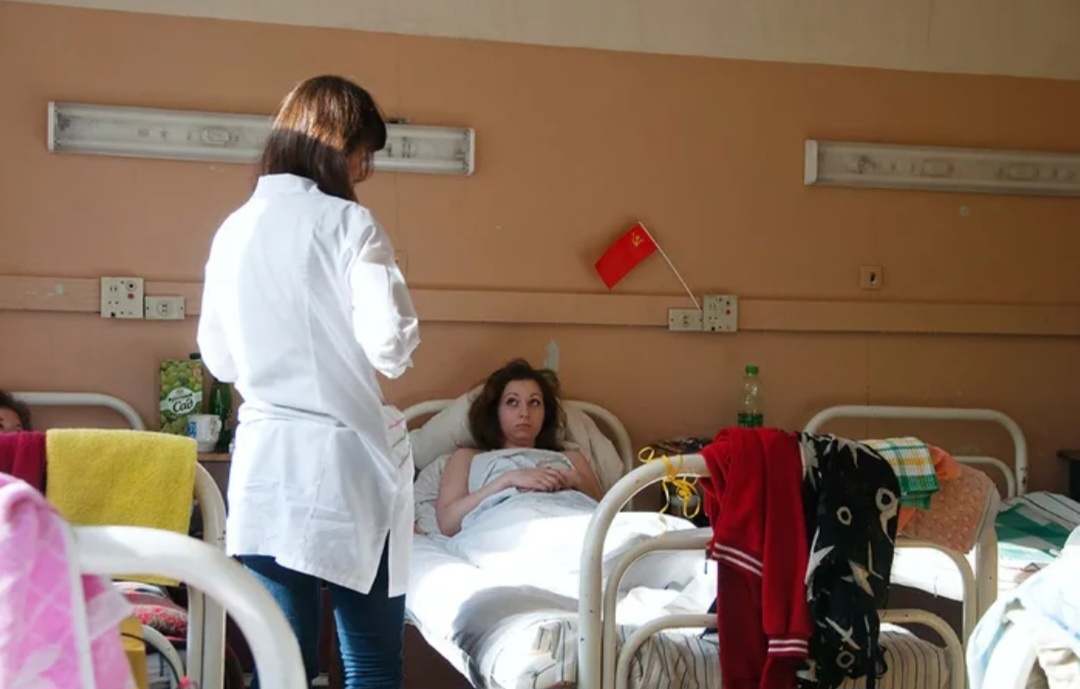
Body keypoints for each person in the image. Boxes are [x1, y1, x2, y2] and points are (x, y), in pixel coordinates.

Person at [196, 75, 420, 689]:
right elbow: (391, 349)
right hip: (346, 466)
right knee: (370, 663)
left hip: (267, 469)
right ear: (342, 146)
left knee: (283, 667)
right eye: (363, 155)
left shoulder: (233, 229)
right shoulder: (351, 225)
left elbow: (220, 361)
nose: (362, 170)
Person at [435, 359, 603, 537]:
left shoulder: (572, 458)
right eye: (512, 402)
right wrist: (509, 480)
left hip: (577, 523)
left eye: (534, 402)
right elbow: (448, 524)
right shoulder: (467, 458)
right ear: (495, 411)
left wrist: (573, 478)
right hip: (509, 527)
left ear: (545, 413)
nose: (524, 413)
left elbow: (606, 511)